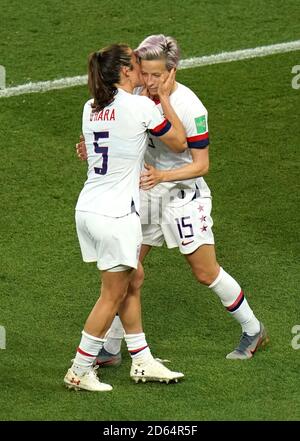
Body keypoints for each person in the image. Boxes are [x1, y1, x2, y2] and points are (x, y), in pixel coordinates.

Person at [76, 35, 269, 367]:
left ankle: (253, 329)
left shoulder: (191, 107)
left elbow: (201, 164)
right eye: (144, 73)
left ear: (172, 70)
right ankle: (110, 346)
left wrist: (162, 176)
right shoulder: (136, 95)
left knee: (205, 272)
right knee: (128, 269)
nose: (149, 82)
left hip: (182, 196)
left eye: (157, 75)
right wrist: (89, 147)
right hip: (145, 194)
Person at [65, 43, 186, 392]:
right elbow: (179, 142)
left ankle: (142, 359)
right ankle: (80, 369)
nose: (141, 68)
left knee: (134, 277)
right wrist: (162, 97)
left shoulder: (90, 107)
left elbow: (102, 145)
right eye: (135, 63)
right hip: (115, 216)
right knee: (112, 295)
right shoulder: (138, 107)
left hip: (89, 209)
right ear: (124, 71)